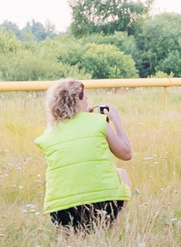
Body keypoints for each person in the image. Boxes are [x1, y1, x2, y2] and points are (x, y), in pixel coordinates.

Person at [35, 77, 132, 229]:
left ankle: (69, 234)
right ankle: (112, 227)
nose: (87, 101)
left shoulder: (48, 134)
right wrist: (116, 120)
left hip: (61, 213)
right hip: (103, 206)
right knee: (122, 174)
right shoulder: (98, 123)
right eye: (85, 98)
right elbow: (126, 154)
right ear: (78, 100)